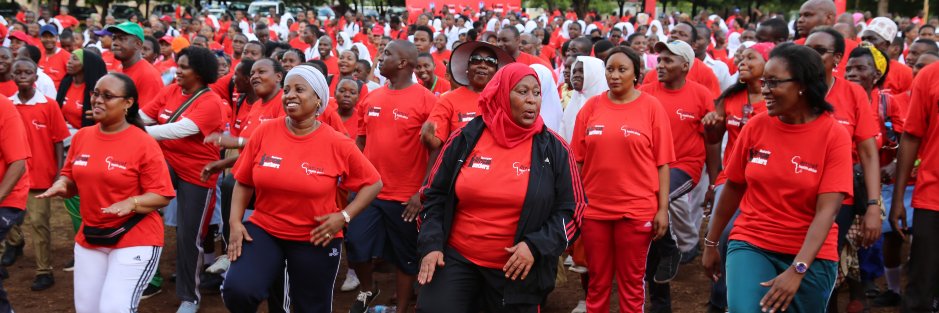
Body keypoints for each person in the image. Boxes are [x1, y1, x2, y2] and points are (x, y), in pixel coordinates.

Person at [415, 62, 585, 312]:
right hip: (457, 259)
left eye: (536, 93)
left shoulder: (555, 149)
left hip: (517, 270)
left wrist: (535, 246)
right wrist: (431, 245)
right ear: (501, 94)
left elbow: (573, 209)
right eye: (522, 92)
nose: (531, 101)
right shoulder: (465, 138)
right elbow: (434, 195)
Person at [702, 43, 852, 312]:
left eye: (773, 82)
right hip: (752, 242)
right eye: (764, 82)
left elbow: (827, 211)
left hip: (811, 255)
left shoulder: (834, 135)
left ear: (803, 85)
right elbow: (734, 186)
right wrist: (711, 242)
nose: (764, 90)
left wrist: (798, 269)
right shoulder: (757, 126)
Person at [221, 64, 383, 313]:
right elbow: (243, 180)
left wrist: (344, 216)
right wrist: (234, 222)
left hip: (315, 236)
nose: (289, 95)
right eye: (286, 90)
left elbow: (373, 183)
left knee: (311, 307)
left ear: (319, 100)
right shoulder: (265, 131)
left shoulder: (338, 143)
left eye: (299, 89)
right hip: (266, 230)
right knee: (239, 289)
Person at [36, 72, 174, 313]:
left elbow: (162, 194)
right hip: (91, 236)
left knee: (114, 308)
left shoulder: (143, 143)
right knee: (87, 309)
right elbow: (70, 179)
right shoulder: (82, 137)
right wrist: (63, 184)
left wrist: (131, 203)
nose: (98, 100)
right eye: (95, 94)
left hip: (135, 237)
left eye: (107, 96)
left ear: (128, 103)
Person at [571, 46, 673, 312]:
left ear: (636, 74)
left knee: (631, 283)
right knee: (597, 283)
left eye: (622, 69)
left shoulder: (651, 107)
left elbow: (663, 164)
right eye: (610, 69)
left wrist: (663, 209)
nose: (614, 75)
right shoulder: (590, 108)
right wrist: (576, 204)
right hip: (594, 211)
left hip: (637, 210)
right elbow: (578, 162)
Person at [347, 40, 437, 313]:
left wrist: (421, 193)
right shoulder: (370, 97)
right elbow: (360, 144)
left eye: (386, 53)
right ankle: (367, 287)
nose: (379, 57)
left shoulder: (427, 100)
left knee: (405, 257)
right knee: (354, 243)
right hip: (370, 191)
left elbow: (437, 151)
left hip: (406, 196)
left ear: (402, 63)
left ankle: (400, 309)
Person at [139, 46, 225, 313]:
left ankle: (190, 297)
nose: (177, 70)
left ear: (199, 73)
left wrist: (137, 130)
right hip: (166, 163)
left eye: (184, 66)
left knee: (189, 235)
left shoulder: (211, 102)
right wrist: (124, 119)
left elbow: (179, 129)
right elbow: (144, 115)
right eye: (178, 64)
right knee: (135, 202)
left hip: (198, 173)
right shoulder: (171, 91)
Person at [639, 40, 718, 312]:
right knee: (649, 225)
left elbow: (712, 142)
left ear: (686, 65)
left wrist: (715, 181)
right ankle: (661, 302)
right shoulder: (645, 92)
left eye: (668, 61)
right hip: (648, 169)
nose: (660, 65)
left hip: (685, 166)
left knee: (651, 204)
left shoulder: (701, 94)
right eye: (659, 60)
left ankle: (672, 247)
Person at [701, 42, 775, 313]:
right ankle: (720, 300)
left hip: (766, 182)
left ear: (770, 63)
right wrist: (712, 125)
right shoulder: (730, 98)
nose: (741, 62)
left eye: (750, 58)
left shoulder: (777, 101)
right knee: (724, 233)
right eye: (740, 58)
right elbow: (713, 140)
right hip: (731, 179)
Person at [6, 58, 69, 291]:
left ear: (36, 76)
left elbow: (59, 140)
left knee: (39, 223)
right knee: (7, 219)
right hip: (13, 176)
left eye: (28, 72)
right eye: (18, 72)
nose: (23, 76)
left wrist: (59, 172)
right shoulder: (7, 105)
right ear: (12, 76)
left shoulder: (49, 105)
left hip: (41, 176)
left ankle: (44, 270)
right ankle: (15, 242)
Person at [891, 59, 939, 313]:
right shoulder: (930, 75)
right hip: (933, 196)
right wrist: (898, 199)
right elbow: (911, 135)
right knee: (921, 285)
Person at [421, 41, 513, 152]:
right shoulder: (448, 99)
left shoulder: (505, 100)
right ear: (467, 67)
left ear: (496, 71)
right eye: (476, 60)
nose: (483, 65)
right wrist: (428, 137)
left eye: (490, 62)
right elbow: (435, 141)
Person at [106, 22, 164, 101]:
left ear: (138, 44)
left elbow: (145, 113)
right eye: (114, 38)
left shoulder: (148, 76)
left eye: (121, 39)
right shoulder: (120, 69)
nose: (115, 43)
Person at [560, 55, 608, 142]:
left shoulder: (607, 105)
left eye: (582, 71)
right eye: (574, 72)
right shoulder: (573, 103)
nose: (575, 75)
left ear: (595, 74)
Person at [861, 17, 914, 95]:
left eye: (871, 39)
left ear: (887, 44)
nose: (865, 43)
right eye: (863, 39)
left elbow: (906, 102)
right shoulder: (854, 66)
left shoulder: (905, 73)